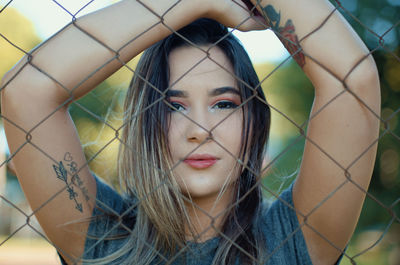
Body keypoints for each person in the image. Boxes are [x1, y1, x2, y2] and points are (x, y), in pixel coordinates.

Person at [0, 0, 380, 264]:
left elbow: (353, 78)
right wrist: (196, 3)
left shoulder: (295, 239)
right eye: (173, 106)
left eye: (224, 103)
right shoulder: (103, 241)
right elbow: (25, 91)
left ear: (255, 121)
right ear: (144, 123)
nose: (199, 130)